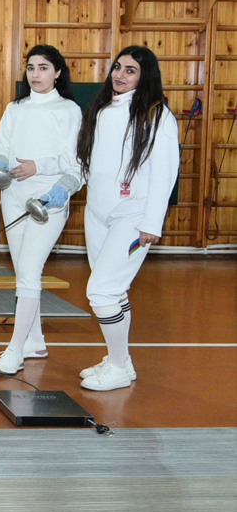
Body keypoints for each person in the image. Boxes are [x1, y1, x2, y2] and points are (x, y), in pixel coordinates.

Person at [75, 46, 178, 391]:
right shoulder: (103, 108)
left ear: (144, 76)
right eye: (117, 67)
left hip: (133, 217)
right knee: (114, 291)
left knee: (101, 291)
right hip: (98, 213)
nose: (120, 75)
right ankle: (120, 360)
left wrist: (152, 223)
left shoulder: (157, 116)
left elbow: (164, 173)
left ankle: (118, 367)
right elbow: (89, 161)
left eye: (130, 70)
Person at [0, 44, 82, 375]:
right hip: (13, 196)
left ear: (57, 72)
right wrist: (0, 162)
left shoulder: (68, 110)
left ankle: (15, 349)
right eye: (31, 68)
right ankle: (36, 341)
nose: (35, 74)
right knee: (25, 272)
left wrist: (37, 166)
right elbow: (3, 145)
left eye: (43, 68)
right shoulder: (15, 108)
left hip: (48, 198)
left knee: (30, 270)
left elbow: (74, 160)